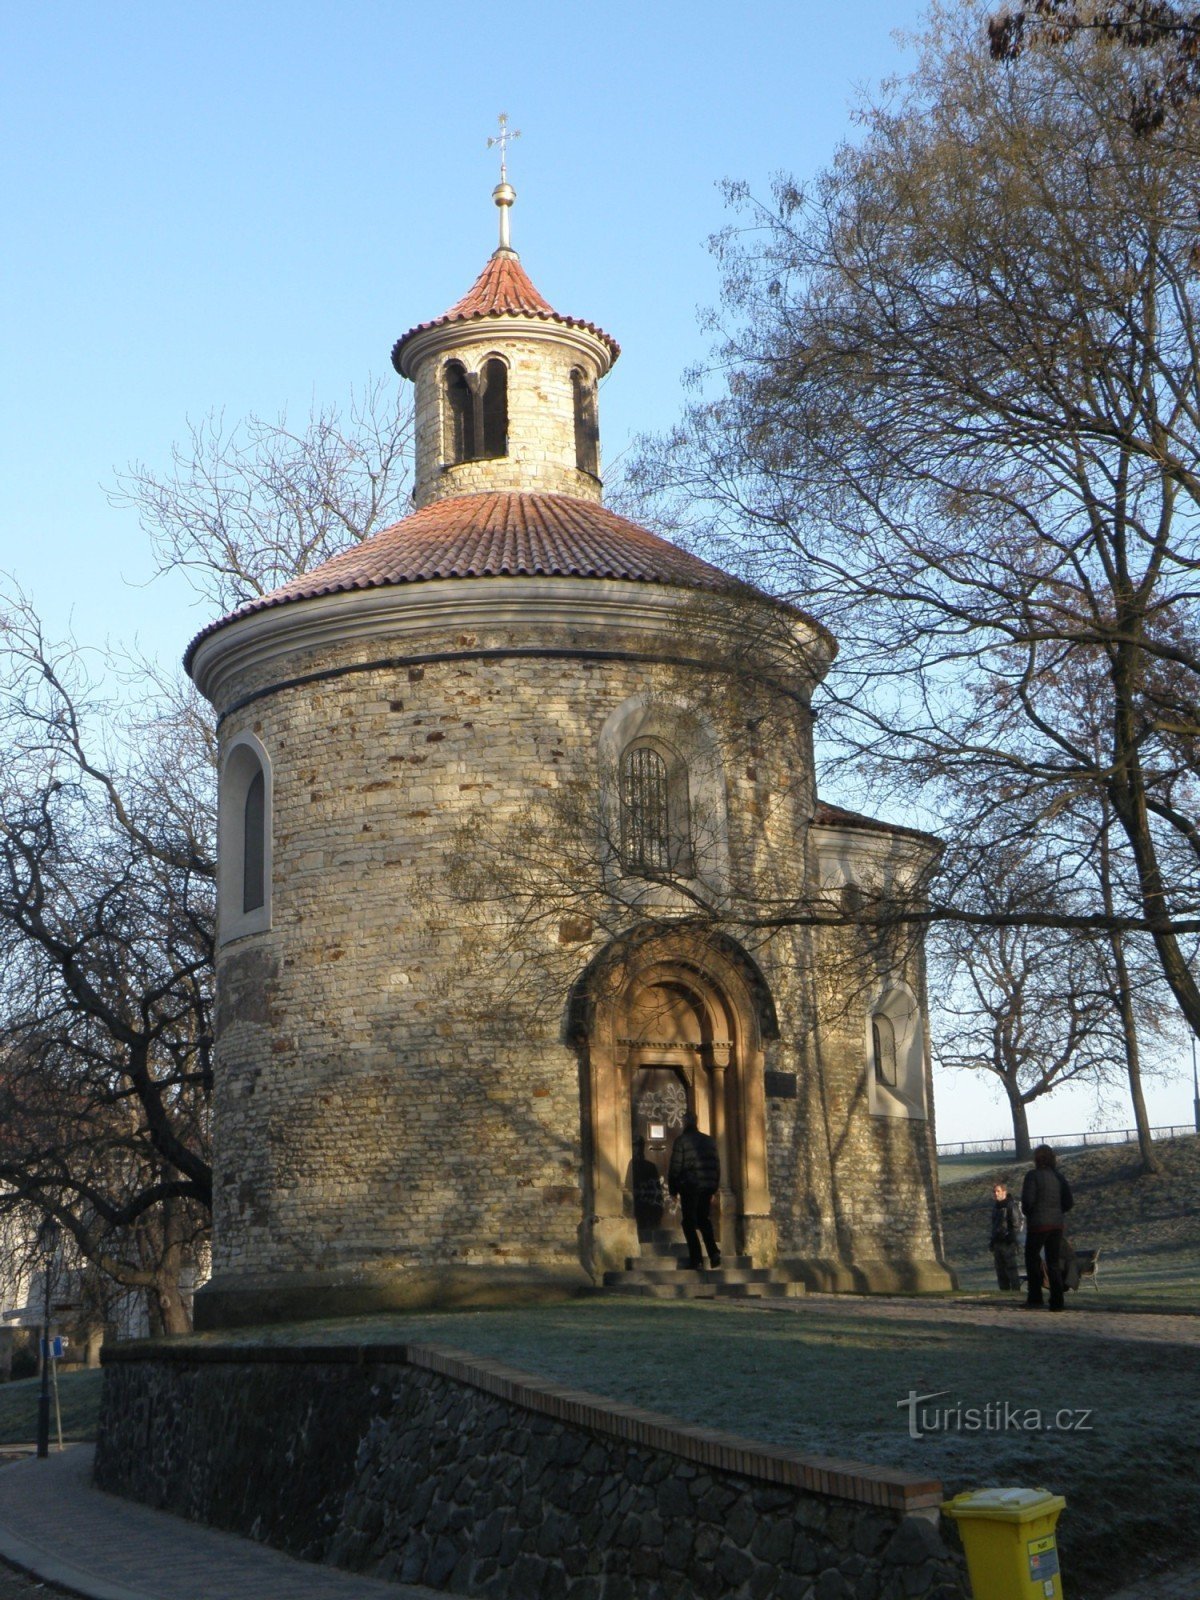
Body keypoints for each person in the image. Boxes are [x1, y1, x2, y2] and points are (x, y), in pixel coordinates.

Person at [1021, 1145, 1073, 1312]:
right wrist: (1057, 1212)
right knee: (1053, 1262)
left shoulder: (1032, 1176)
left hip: (1038, 1224)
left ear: (1037, 1159)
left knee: (1032, 1258)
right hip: (1056, 1224)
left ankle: (1035, 1296)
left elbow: (1027, 1202)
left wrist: (1030, 1213)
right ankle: (1057, 1300)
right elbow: (1068, 1202)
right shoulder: (1059, 1177)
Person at [668, 1113, 722, 1270]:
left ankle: (697, 1258)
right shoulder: (710, 1141)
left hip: (690, 1186)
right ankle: (713, 1253)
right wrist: (714, 1188)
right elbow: (716, 1167)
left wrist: (673, 1190)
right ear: (696, 1123)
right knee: (704, 1220)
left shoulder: (681, 1141)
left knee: (689, 1222)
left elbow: (675, 1167)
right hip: (707, 1186)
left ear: (684, 1123)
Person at [988, 1182, 1021, 1290]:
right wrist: (992, 1240)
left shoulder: (1010, 1205)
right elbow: (994, 1225)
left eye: (998, 1191)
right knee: (1000, 1270)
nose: (996, 1194)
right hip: (997, 1241)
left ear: (1004, 1192)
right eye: (994, 1191)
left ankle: (1016, 1290)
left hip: (1007, 1242)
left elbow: (1016, 1223)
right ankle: (1004, 1291)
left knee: (1011, 1268)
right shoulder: (996, 1207)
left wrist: (1011, 1237)